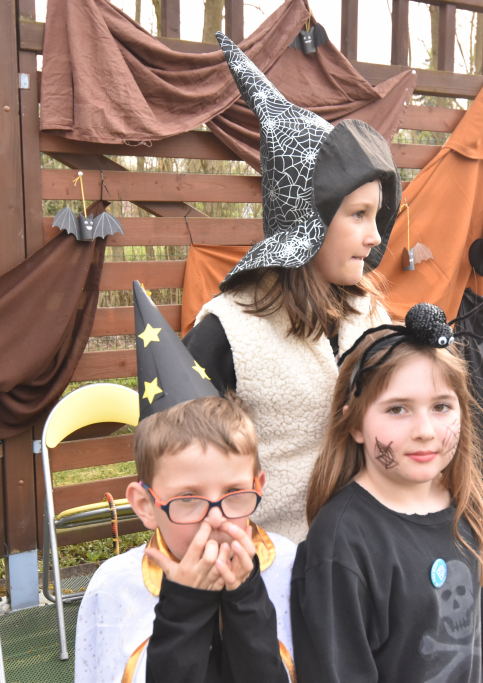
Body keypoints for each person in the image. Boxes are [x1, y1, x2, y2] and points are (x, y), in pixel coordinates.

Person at [183, 32, 401, 543]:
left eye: (377, 216)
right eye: (358, 214)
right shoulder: (229, 331)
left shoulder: (370, 315)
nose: (375, 236)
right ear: (308, 216)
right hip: (269, 567)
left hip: (364, 557)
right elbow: (181, 456)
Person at [75, 286, 295, 683]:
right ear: (146, 505)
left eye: (234, 494)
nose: (215, 520)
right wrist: (186, 604)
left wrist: (245, 597)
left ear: (258, 485)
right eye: (188, 499)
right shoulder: (115, 587)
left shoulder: (286, 566)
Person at [291, 303, 483, 683]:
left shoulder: (465, 505)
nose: (425, 431)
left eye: (441, 406)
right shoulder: (340, 545)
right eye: (398, 409)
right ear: (355, 423)